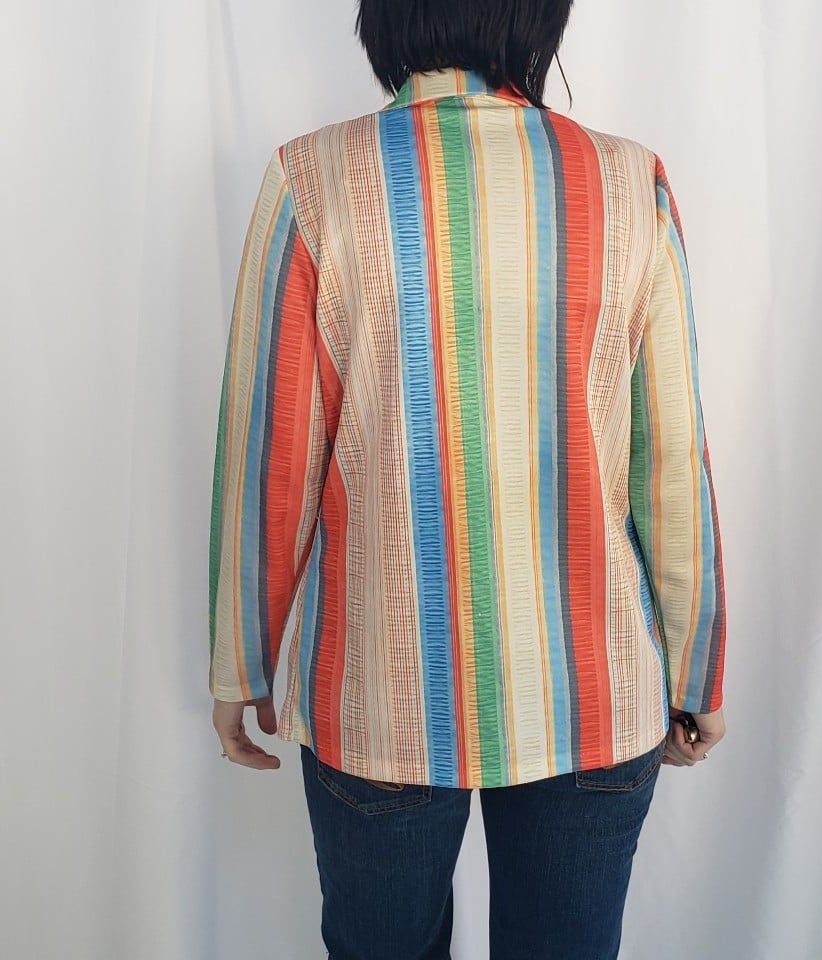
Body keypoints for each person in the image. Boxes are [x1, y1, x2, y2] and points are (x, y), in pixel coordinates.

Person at [208, 1, 727, 957]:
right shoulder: (628, 180)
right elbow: (669, 457)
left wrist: (242, 659)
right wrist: (698, 668)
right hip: (595, 683)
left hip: (378, 687)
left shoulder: (313, 178)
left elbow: (271, 448)